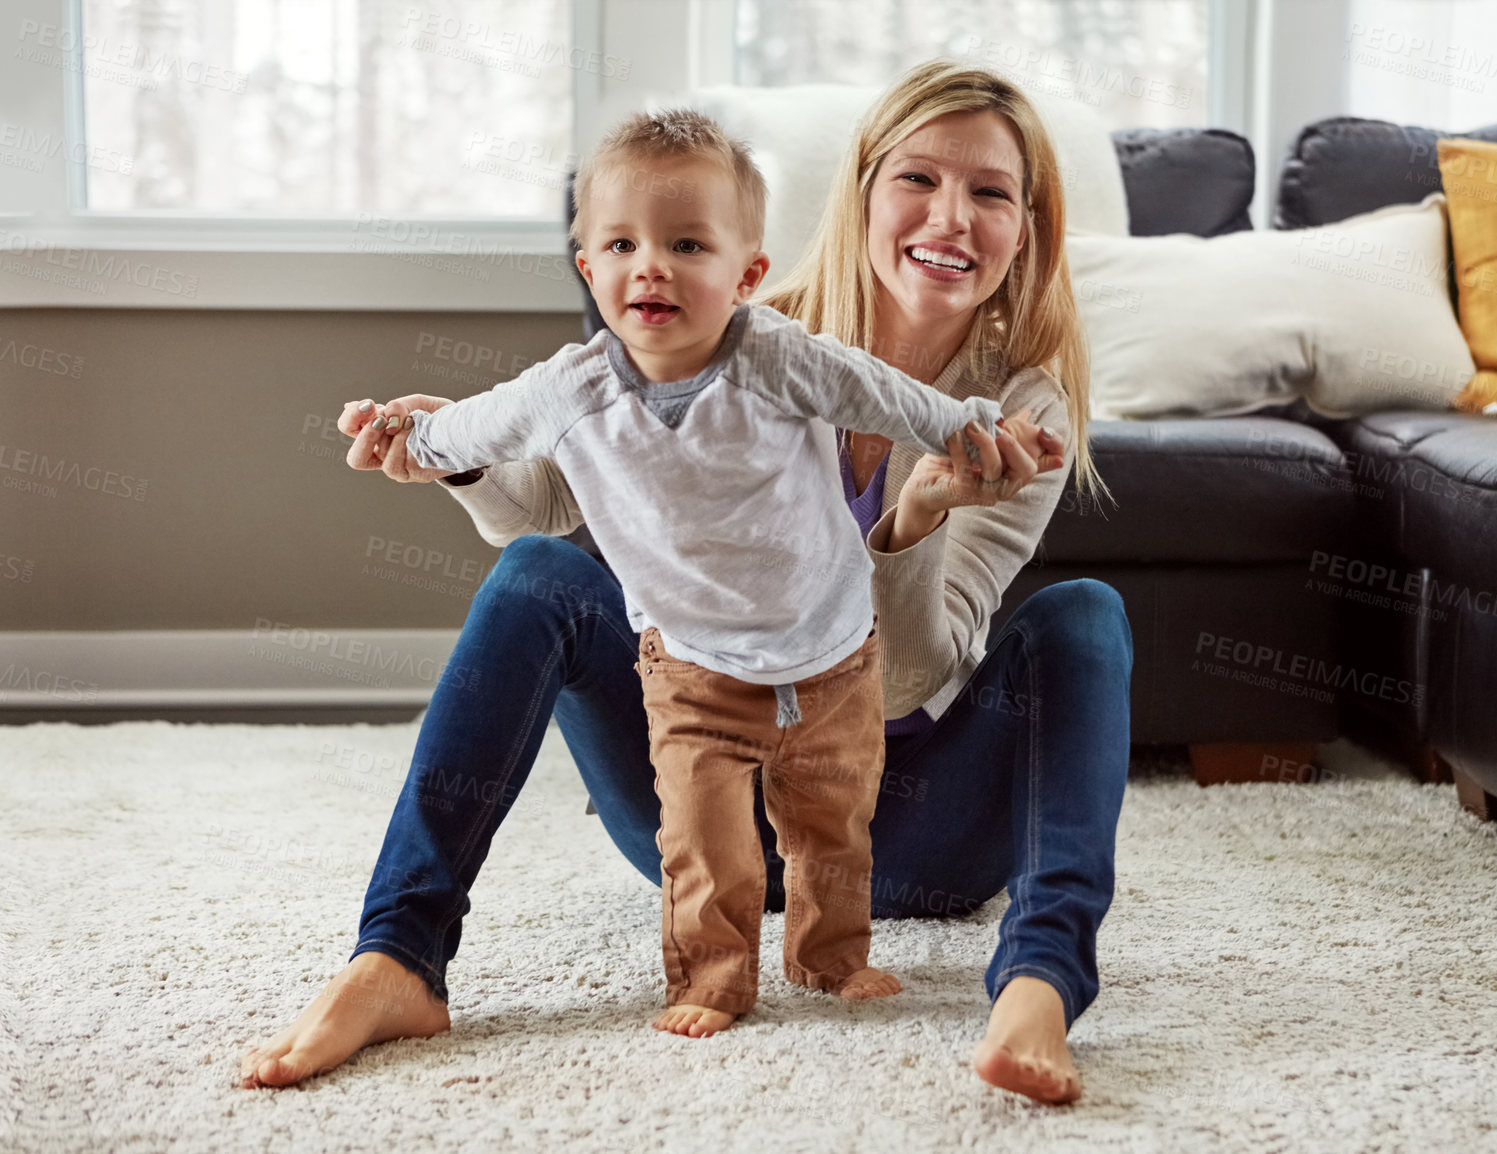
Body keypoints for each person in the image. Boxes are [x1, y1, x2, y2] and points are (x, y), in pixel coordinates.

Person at [239, 58, 1130, 1106]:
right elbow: (547, 511)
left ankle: (1039, 979)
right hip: (708, 786)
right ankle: (397, 955)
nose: (952, 216)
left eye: (991, 192)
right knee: (537, 571)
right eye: (918, 179)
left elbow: (904, 683)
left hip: (913, 828)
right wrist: (461, 455)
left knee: (1085, 617)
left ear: (1027, 227)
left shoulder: (1017, 413)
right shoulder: (725, 311)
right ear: (862, 189)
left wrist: (915, 523)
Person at [396, 107, 1048, 1036]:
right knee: (704, 843)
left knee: (832, 831)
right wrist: (416, 440)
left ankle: (832, 959)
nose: (650, 265)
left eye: (686, 244)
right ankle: (702, 978)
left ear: (745, 275)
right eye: (621, 244)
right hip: (697, 670)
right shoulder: (572, 388)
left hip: (835, 665)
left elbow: (887, 395)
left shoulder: (781, 356)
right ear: (590, 268)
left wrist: (962, 434)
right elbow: (487, 445)